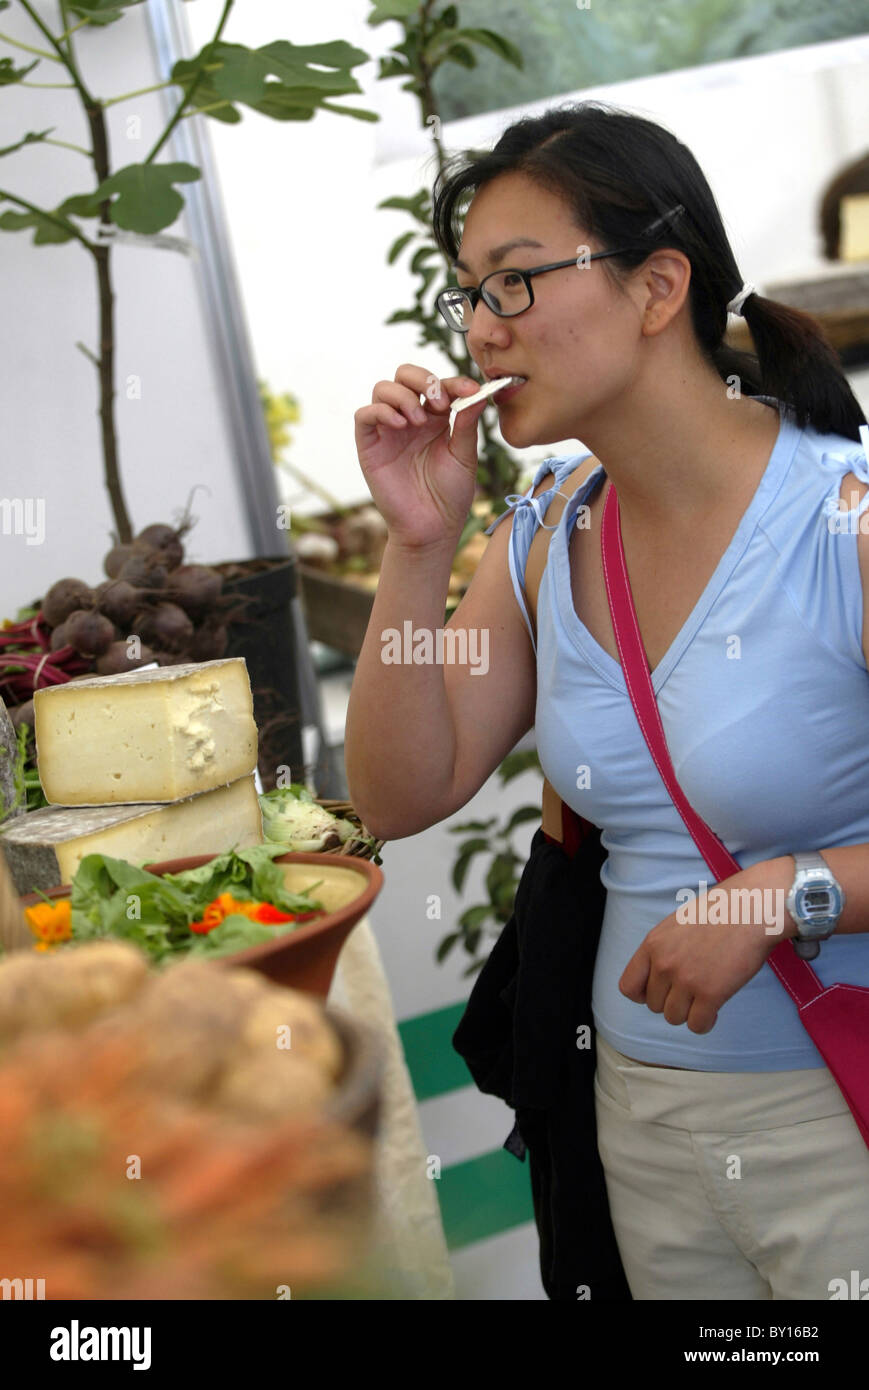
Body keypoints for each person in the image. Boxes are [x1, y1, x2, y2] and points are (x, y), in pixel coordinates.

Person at [346, 100, 869, 1300]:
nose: (481, 329)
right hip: (630, 1119)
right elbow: (397, 792)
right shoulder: (539, 537)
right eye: (468, 292)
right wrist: (416, 542)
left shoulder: (838, 523)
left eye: (515, 283)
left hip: (832, 1116)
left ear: (655, 286)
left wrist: (782, 896)